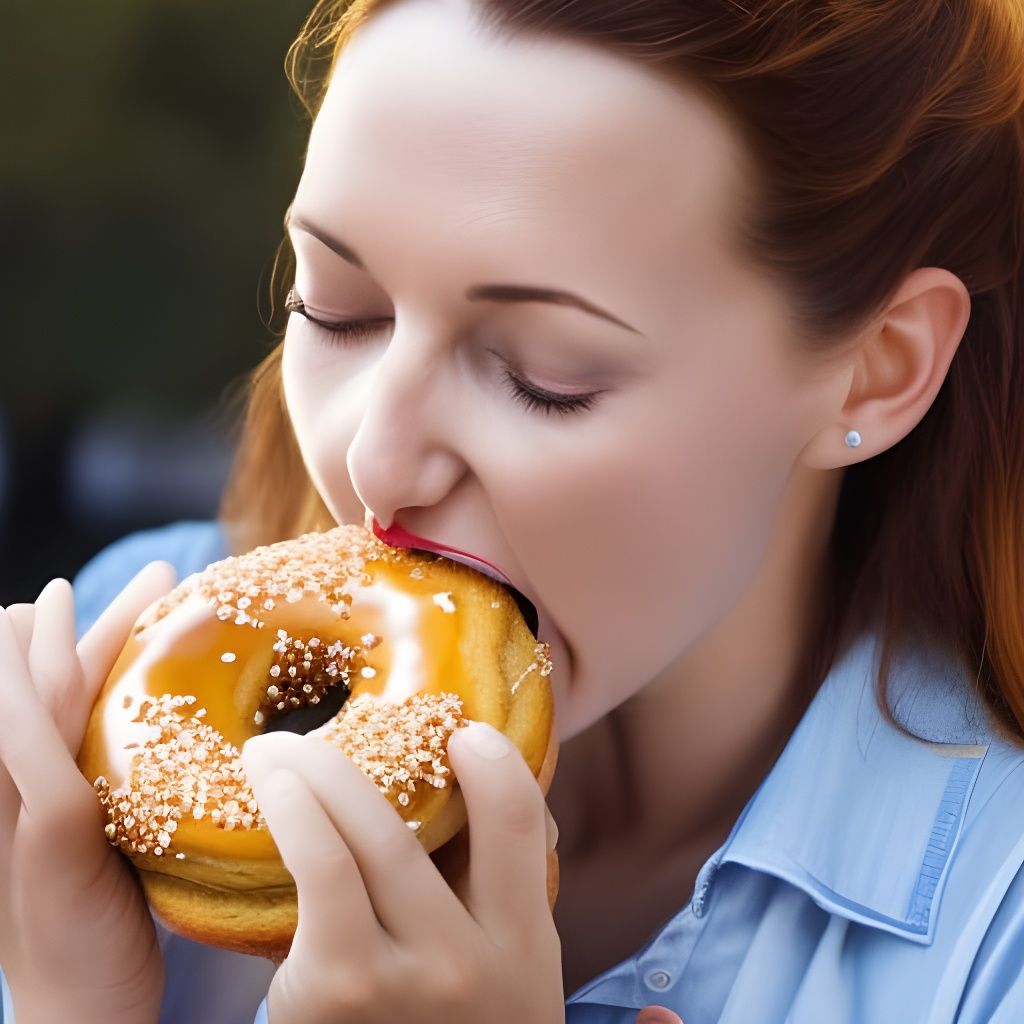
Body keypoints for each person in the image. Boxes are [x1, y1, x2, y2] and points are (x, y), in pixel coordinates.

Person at [2, 0, 1024, 1020]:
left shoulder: (995, 932)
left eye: (547, 374)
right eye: (335, 307)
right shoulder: (99, 695)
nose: (374, 458)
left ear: (874, 372)